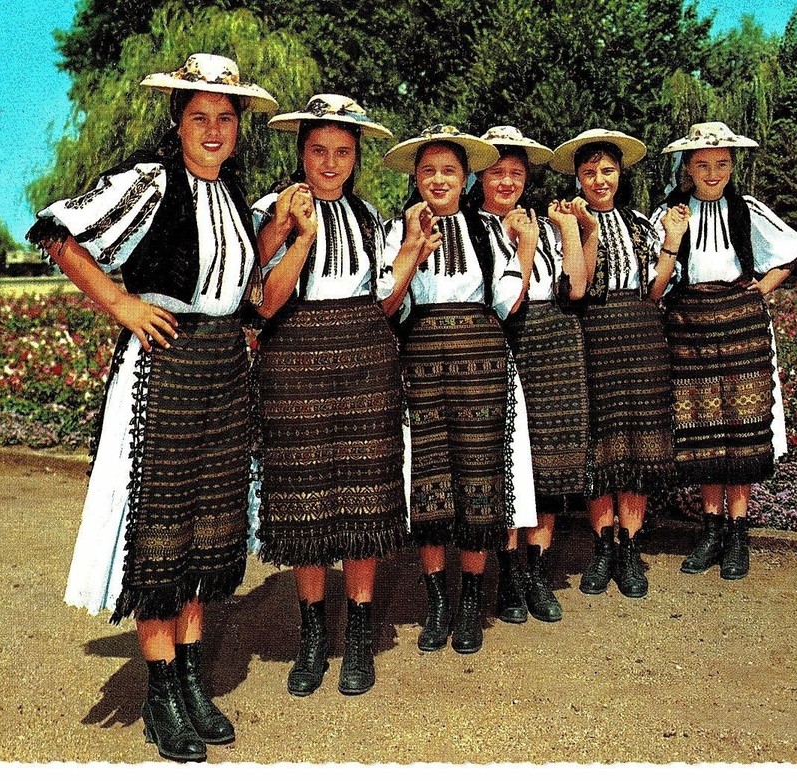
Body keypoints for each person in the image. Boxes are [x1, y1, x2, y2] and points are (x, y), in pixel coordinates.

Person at [26, 54, 277, 762]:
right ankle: (159, 690)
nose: (214, 130)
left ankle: (191, 678)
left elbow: (243, 287)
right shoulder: (150, 181)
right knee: (160, 533)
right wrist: (120, 302)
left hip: (224, 372)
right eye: (200, 116)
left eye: (225, 119)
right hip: (162, 369)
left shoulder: (231, 192)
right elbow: (56, 231)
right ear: (178, 121)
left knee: (208, 532)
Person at [250, 94, 408, 697]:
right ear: (301, 152)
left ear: (356, 156)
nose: (331, 163)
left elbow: (384, 300)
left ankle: (360, 636)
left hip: (365, 358)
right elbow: (265, 302)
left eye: (343, 152)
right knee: (305, 499)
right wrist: (298, 236)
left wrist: (412, 254)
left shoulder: (372, 216)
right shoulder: (274, 210)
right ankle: (313, 636)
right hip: (296, 360)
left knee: (365, 497)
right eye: (319, 150)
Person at [380, 124, 529, 654]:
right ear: (416, 179)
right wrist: (411, 252)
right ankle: (436, 599)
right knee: (429, 479)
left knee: (478, 478)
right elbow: (384, 302)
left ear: (466, 177)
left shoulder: (487, 232)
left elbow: (510, 300)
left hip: (482, 365)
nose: (439, 180)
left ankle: (470, 601)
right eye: (428, 171)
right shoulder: (396, 232)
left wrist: (527, 250)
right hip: (421, 365)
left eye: (449, 170)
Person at [651, 121, 797, 581]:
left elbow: (790, 251)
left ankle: (738, 530)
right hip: (690, 321)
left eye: (721, 163)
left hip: (740, 322)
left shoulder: (747, 209)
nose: (712, 172)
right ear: (688, 168)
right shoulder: (670, 212)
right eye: (702, 164)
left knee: (742, 427)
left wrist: (758, 291)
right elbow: (657, 275)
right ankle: (710, 527)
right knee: (702, 426)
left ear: (732, 165)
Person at [473, 126, 597, 623]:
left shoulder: (543, 225)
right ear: (480, 177)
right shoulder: (472, 227)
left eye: (516, 173)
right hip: (507, 338)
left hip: (556, 342)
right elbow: (501, 302)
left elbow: (577, 290)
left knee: (548, 466)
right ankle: (507, 574)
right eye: (497, 172)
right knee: (509, 463)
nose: (506, 182)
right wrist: (520, 247)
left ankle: (536, 573)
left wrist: (570, 230)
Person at [549, 128, 678, 599]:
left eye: (607, 171)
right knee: (599, 444)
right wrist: (583, 230)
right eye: (589, 173)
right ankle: (602, 545)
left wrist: (672, 243)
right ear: (579, 179)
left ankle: (629, 547)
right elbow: (572, 287)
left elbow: (656, 288)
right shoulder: (567, 222)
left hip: (642, 336)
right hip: (594, 335)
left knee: (637, 444)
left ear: (620, 174)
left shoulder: (642, 224)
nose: (599, 180)